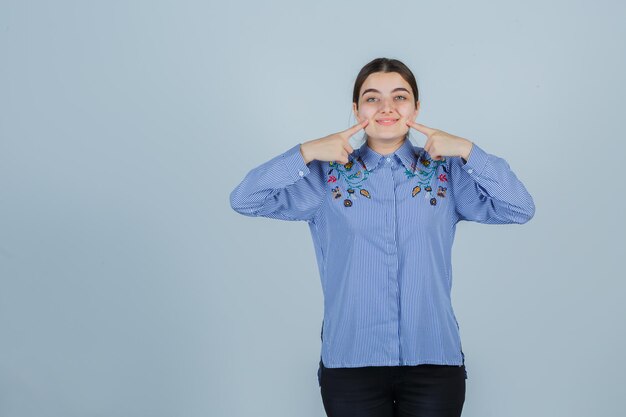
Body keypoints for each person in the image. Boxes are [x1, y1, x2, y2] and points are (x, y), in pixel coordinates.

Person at [229, 57, 535, 417]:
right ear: (357, 108)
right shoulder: (324, 177)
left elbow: (519, 208)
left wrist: (469, 150)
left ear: (416, 107)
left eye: (400, 97)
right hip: (351, 362)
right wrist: (306, 152)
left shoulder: (448, 172)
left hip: (434, 360)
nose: (387, 107)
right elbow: (245, 199)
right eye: (373, 98)